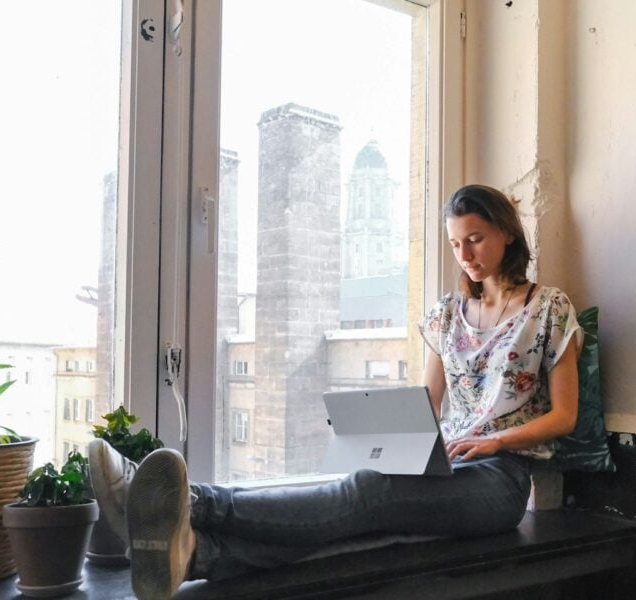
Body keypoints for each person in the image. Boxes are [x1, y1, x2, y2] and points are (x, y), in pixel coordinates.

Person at [89, 183, 582, 599]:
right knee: (361, 509)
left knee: (367, 493)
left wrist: (495, 441)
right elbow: (430, 402)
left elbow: (565, 416)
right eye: (456, 244)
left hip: (503, 479)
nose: (466, 255)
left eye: (475, 239)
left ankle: (186, 502)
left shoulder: (549, 307)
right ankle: (196, 554)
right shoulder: (446, 313)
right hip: (449, 462)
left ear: (507, 234)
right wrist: (379, 429)